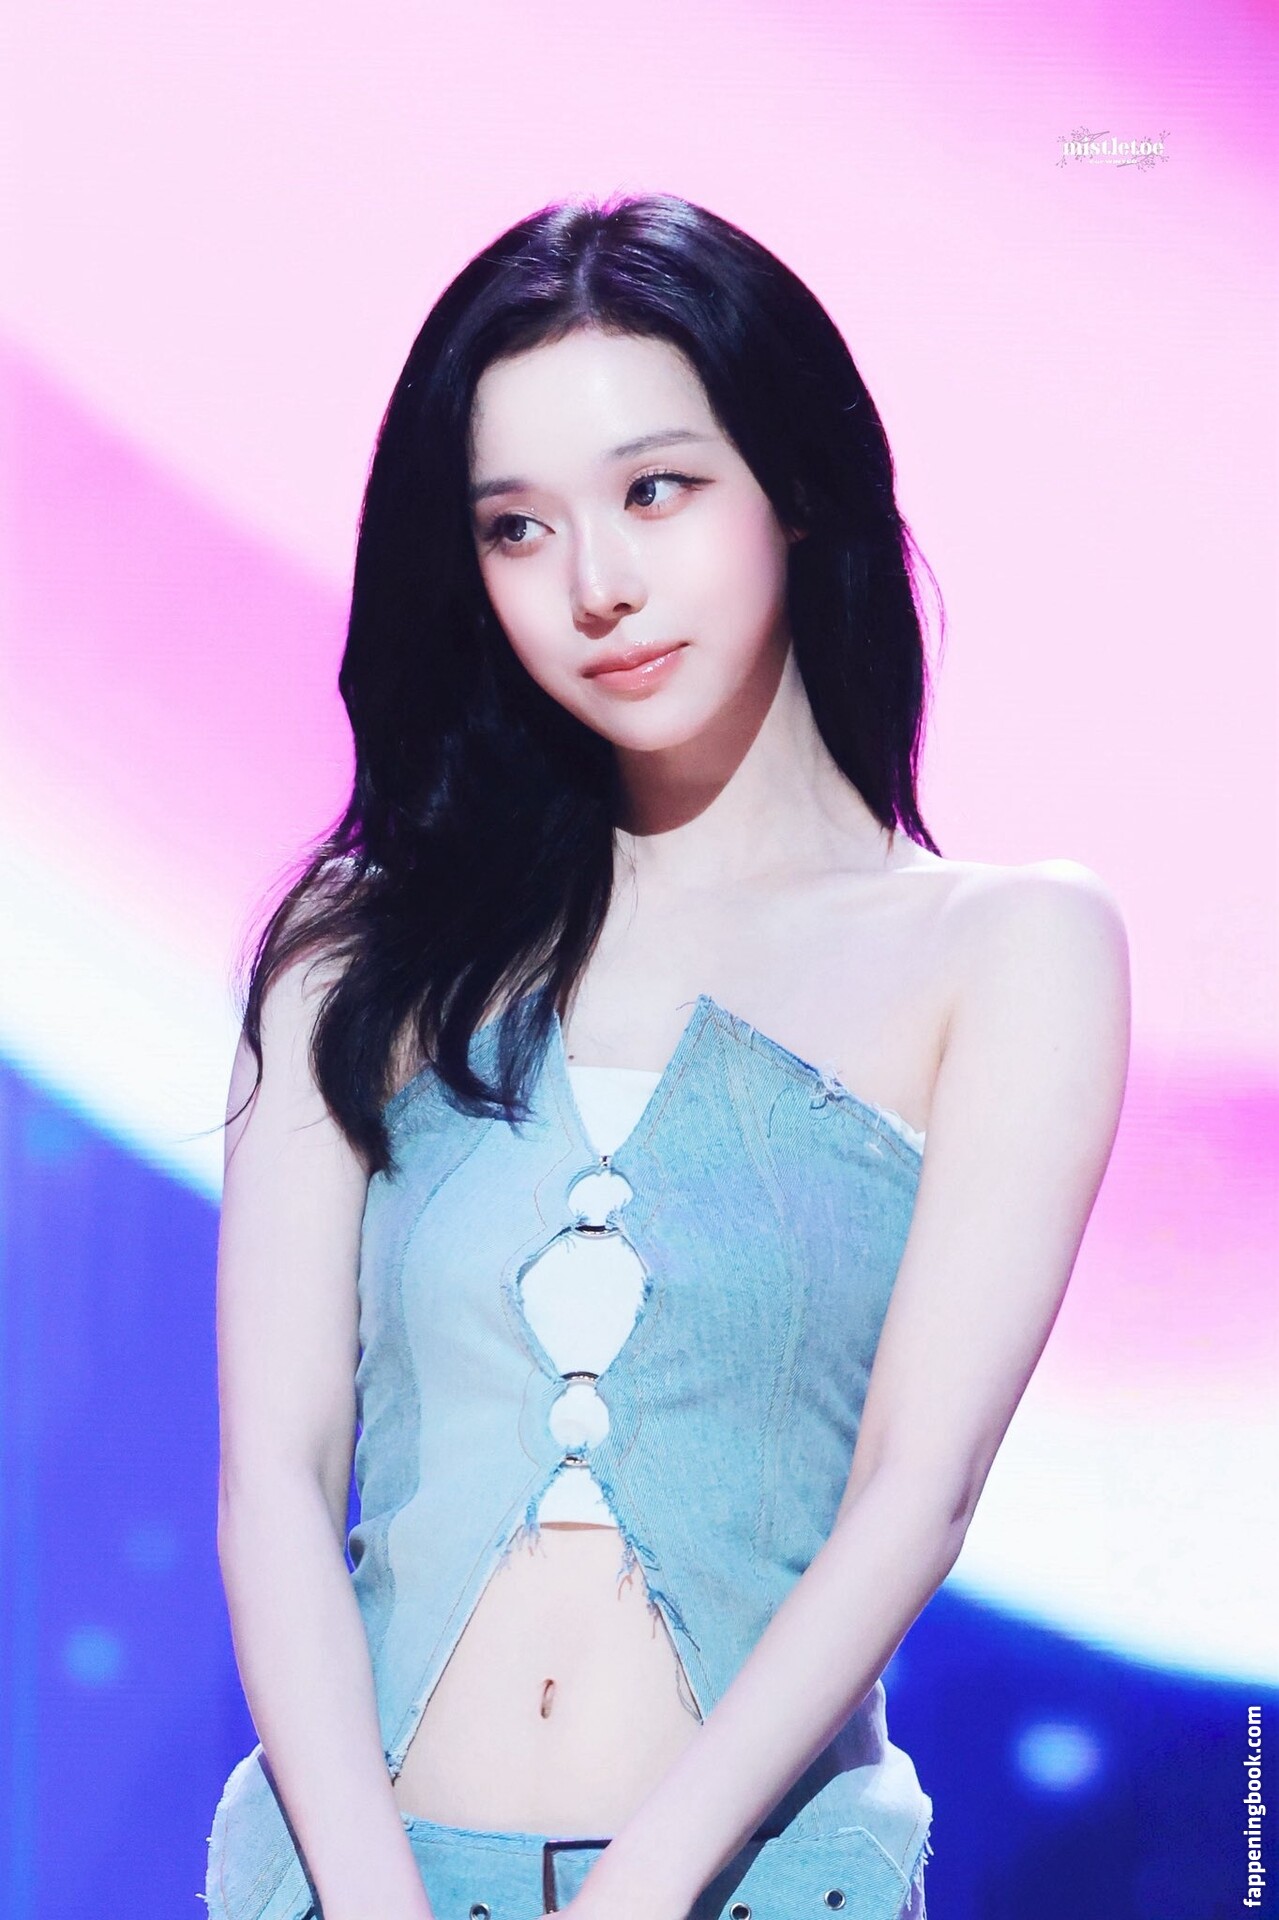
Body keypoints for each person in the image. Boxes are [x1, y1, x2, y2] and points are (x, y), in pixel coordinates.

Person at [203, 192, 1130, 1920]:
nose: (597, 588)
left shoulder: (1007, 950)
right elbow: (275, 1478)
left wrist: (637, 1897)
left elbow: (915, 1495)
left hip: (754, 1885)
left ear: (796, 486)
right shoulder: (358, 949)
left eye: (655, 491)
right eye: (516, 527)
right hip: (352, 1879)